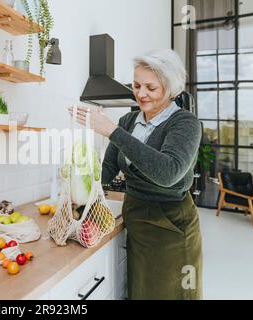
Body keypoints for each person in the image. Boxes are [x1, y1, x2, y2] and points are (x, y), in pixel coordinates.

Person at [71, 49, 202, 300]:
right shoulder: (128, 121)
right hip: (137, 219)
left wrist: (113, 132)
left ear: (171, 88)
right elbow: (107, 170)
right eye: (136, 85)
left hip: (171, 225)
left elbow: (169, 173)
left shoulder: (185, 123)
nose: (141, 94)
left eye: (151, 88)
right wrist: (77, 189)